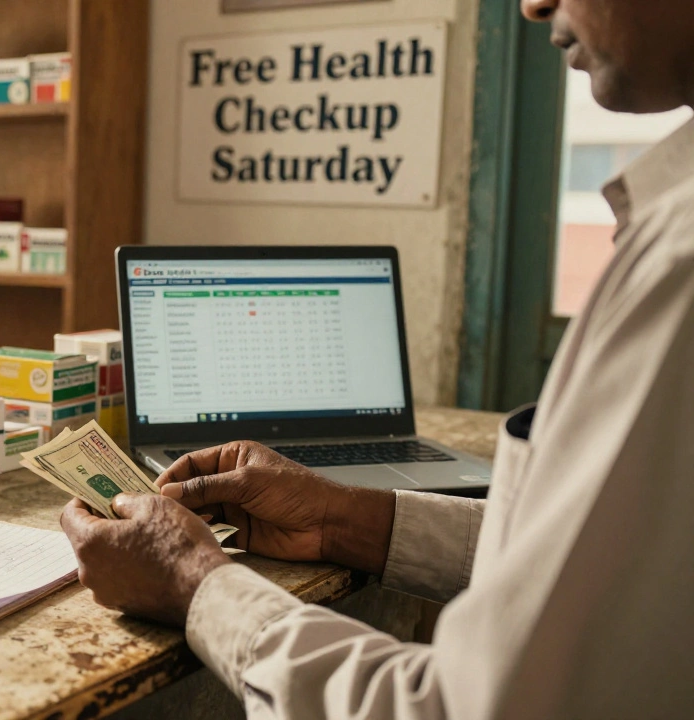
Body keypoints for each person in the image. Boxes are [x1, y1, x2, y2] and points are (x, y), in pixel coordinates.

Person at [60, 0, 694, 717]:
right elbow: (595, 571)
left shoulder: (681, 262)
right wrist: (344, 520)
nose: (533, 4)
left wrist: (193, 580)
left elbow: (462, 707)